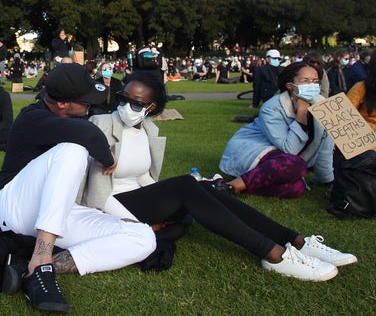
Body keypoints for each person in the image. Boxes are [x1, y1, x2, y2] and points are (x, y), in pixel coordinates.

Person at [85, 71, 355, 281]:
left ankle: (295, 241)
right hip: (114, 207)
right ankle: (274, 254)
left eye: (136, 102)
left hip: (140, 200)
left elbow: (145, 179)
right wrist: (133, 224)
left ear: (152, 107)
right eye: (123, 99)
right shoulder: (101, 125)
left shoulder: (149, 131)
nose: (126, 106)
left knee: (207, 188)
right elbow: (96, 192)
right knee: (186, 186)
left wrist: (164, 201)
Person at [0, 63, 155, 313]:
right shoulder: (31, 117)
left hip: (56, 212)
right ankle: (42, 255)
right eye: (85, 100)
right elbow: (88, 135)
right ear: (62, 104)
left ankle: (32, 268)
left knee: (144, 237)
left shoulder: (70, 114)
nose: (90, 105)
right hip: (11, 206)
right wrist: (108, 159)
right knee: (72, 149)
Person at [220, 62, 335, 198]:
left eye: (315, 81)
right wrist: (301, 113)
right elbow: (289, 149)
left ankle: (235, 187)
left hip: (285, 158)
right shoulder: (272, 108)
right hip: (255, 150)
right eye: (305, 81)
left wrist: (326, 178)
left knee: (297, 187)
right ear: (289, 85)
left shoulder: (322, 104)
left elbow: (325, 147)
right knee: (296, 164)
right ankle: (231, 185)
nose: (312, 85)